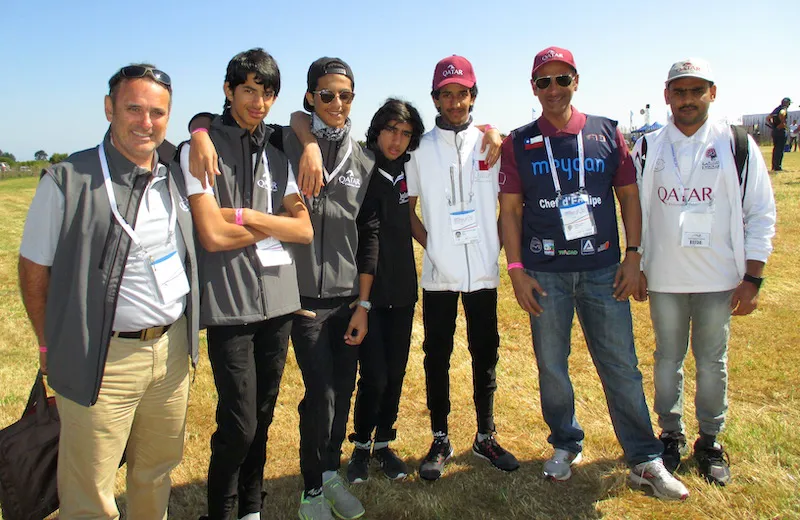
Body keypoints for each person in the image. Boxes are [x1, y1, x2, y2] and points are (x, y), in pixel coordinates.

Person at [498, 46, 689, 501]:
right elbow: (509, 211)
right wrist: (517, 271)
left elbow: (628, 198)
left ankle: (644, 458)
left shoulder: (607, 132)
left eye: (562, 79)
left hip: (604, 270)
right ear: (533, 88)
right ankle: (565, 442)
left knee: (620, 365)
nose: (553, 89)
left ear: (576, 82)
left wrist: (633, 255)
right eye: (543, 82)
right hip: (545, 273)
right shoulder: (519, 141)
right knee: (551, 366)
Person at [189, 57, 374, 520]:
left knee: (289, 410)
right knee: (256, 417)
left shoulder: (329, 153)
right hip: (264, 302)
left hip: (311, 300)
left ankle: (271, 500)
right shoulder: (260, 140)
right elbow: (212, 232)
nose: (336, 103)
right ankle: (263, 501)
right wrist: (196, 131)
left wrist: (245, 216)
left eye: (345, 95)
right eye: (325, 94)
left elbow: (318, 229)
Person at [18, 64, 199, 519]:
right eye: (133, 108)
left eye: (158, 112)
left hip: (171, 352)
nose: (146, 121)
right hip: (103, 358)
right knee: (89, 494)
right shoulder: (66, 179)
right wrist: (50, 343)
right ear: (108, 109)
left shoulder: (177, 172)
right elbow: (33, 270)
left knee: (155, 471)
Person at [180, 49, 313, 520]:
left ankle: (252, 509)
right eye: (249, 91)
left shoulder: (278, 150)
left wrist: (251, 217)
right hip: (230, 308)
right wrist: (275, 222)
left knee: (263, 415)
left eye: (267, 93)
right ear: (228, 90)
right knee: (237, 422)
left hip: (278, 303)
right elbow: (212, 236)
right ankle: (222, 510)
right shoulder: (200, 146)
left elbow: (304, 230)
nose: (259, 102)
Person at [632, 58, 776, 486]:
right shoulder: (648, 147)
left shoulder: (738, 145)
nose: (688, 99)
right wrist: (636, 264)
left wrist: (753, 277)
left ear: (713, 93)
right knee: (666, 361)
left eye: (697, 91)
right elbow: (633, 212)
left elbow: (761, 213)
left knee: (712, 363)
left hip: (718, 279)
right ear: (667, 96)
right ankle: (670, 436)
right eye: (680, 91)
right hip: (664, 279)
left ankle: (710, 441)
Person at [406, 55, 520, 482]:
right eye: (446, 94)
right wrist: (432, 246)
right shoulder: (419, 148)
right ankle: (440, 437)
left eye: (463, 94)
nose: (455, 102)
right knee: (437, 354)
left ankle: (485, 435)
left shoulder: (493, 144)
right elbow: (408, 210)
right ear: (435, 98)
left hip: (483, 274)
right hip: (438, 274)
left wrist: (493, 244)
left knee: (484, 351)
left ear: (474, 96)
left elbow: (510, 207)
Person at [344, 99, 424, 484]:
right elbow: (370, 235)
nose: (398, 140)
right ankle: (360, 446)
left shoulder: (408, 168)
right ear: (376, 129)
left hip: (403, 289)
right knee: (372, 374)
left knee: (395, 373)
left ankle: (384, 443)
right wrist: (363, 299)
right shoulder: (360, 164)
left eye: (406, 133)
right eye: (392, 130)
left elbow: (411, 221)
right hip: (368, 288)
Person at [768, 97, 791, 171]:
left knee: (775, 148)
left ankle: (774, 166)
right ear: (786, 103)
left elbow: (768, 118)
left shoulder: (776, 109)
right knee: (780, 149)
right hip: (780, 131)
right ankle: (778, 167)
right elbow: (782, 113)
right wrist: (782, 123)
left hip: (774, 131)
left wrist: (773, 125)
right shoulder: (783, 109)